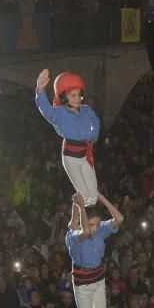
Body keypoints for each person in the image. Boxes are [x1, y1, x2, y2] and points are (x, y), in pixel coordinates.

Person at [35, 68, 102, 205]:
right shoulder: (59, 113)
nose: (77, 98)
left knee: (93, 196)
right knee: (83, 195)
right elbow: (46, 110)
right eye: (73, 95)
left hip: (86, 154)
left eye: (79, 95)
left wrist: (94, 135)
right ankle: (77, 220)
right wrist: (40, 91)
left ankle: (87, 219)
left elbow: (96, 121)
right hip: (70, 157)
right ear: (64, 97)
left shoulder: (86, 109)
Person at [67, 193, 123, 308]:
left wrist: (101, 198)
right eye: (93, 224)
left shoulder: (99, 231)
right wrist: (79, 207)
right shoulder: (72, 236)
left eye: (98, 224)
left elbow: (119, 219)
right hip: (83, 285)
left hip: (98, 280)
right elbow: (84, 230)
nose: (96, 228)